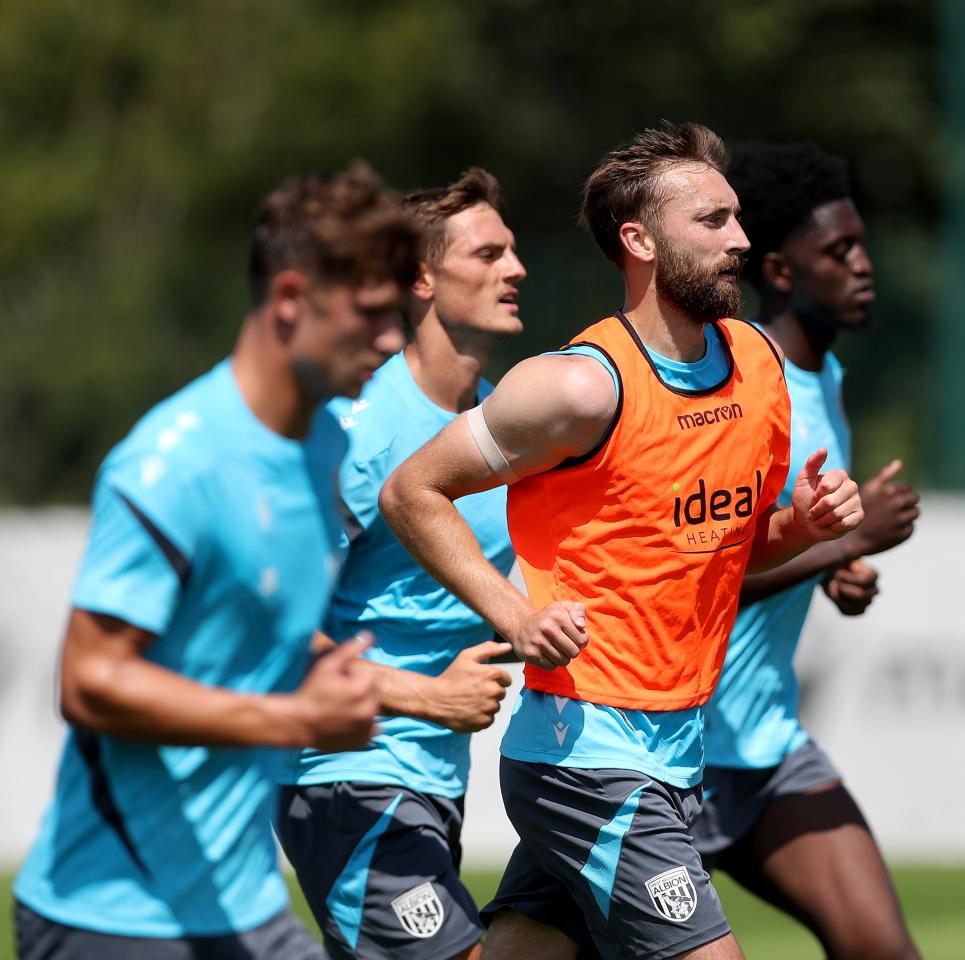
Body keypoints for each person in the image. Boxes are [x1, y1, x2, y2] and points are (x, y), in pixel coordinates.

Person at [379, 122, 865, 960]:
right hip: (586, 757)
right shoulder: (576, 388)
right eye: (712, 222)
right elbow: (411, 490)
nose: (741, 241)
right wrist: (514, 613)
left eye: (738, 219)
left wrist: (802, 527)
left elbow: (728, 547)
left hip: (677, 749)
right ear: (638, 241)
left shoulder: (756, 366)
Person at [12, 163, 418, 960]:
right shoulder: (173, 465)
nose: (393, 339)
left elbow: (249, 634)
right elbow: (88, 682)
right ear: (292, 300)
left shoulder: (328, 445)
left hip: (243, 906)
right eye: (372, 314)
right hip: (114, 917)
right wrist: (296, 719)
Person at [276, 168, 525, 960]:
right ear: (420, 278)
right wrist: (428, 696)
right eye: (487, 254)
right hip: (344, 777)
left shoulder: (501, 425)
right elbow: (270, 630)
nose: (515, 269)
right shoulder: (361, 431)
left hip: (433, 782)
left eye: (513, 251)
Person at [693, 141, 923, 960]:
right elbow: (700, 572)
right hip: (671, 756)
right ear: (782, 272)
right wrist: (850, 540)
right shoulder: (747, 393)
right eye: (839, 251)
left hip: (763, 747)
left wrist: (837, 572)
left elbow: (784, 539)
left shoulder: (824, 382)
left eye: (860, 245)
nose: (864, 266)